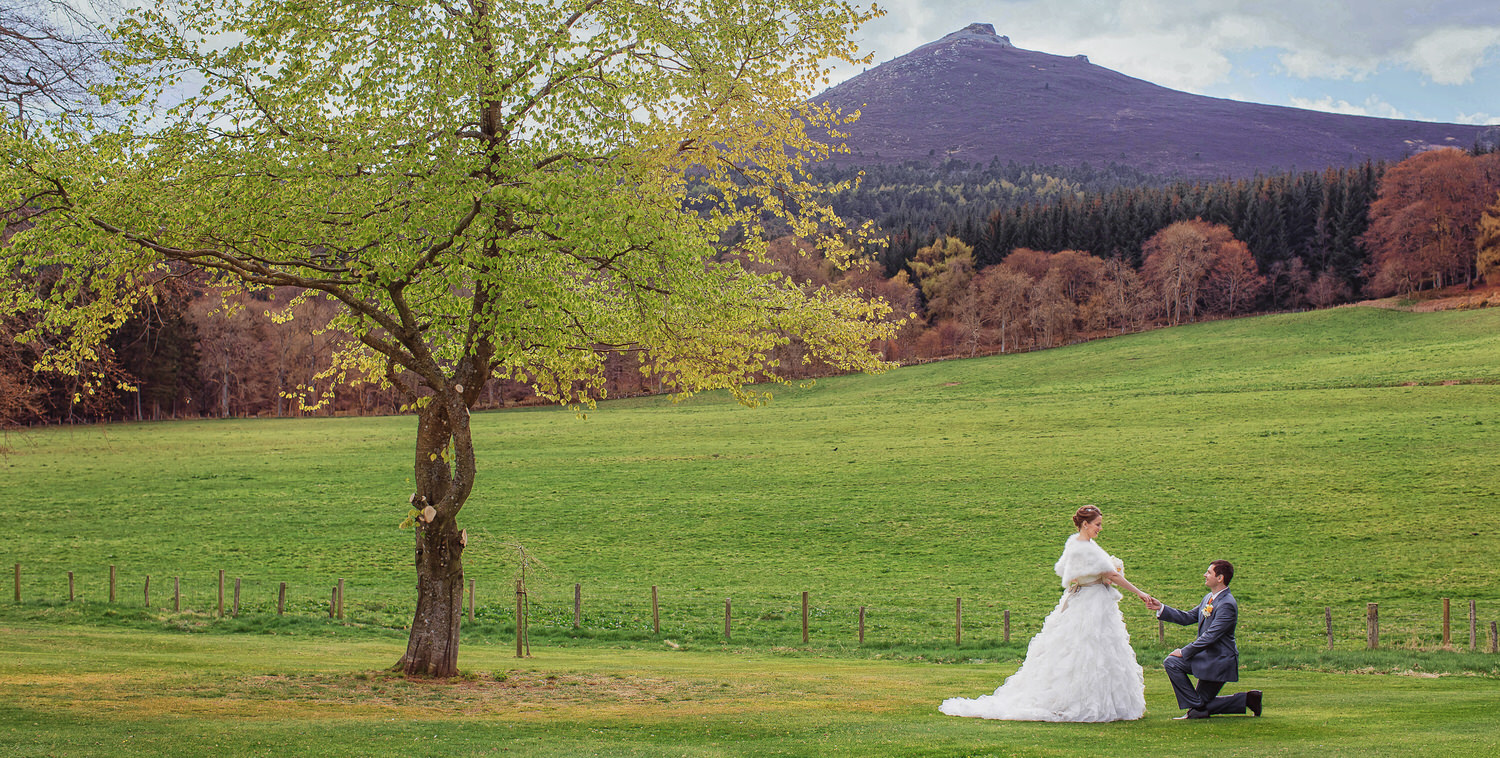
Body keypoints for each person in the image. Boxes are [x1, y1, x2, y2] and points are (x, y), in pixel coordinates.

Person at [939, 505, 1153, 722]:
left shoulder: (1076, 543)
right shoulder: (1086, 548)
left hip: (1085, 598)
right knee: (1089, 648)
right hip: (1091, 602)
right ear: (1085, 524)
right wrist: (1139, 592)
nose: (1100, 528)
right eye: (1097, 524)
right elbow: (1111, 575)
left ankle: (1095, 700)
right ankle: (1081, 701)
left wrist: (1091, 576)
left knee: (1092, 648)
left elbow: (1066, 572)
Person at [1146, 560, 1263, 719]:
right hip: (1205, 659)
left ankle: (1201, 708)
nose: (1204, 575)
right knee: (1172, 662)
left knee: (1197, 711)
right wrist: (1161, 608)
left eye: (1209, 572)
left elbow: (1211, 636)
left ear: (1220, 578)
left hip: (1218, 662)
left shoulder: (1227, 604)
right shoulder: (1209, 598)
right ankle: (1245, 700)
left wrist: (1184, 651)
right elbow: (1188, 617)